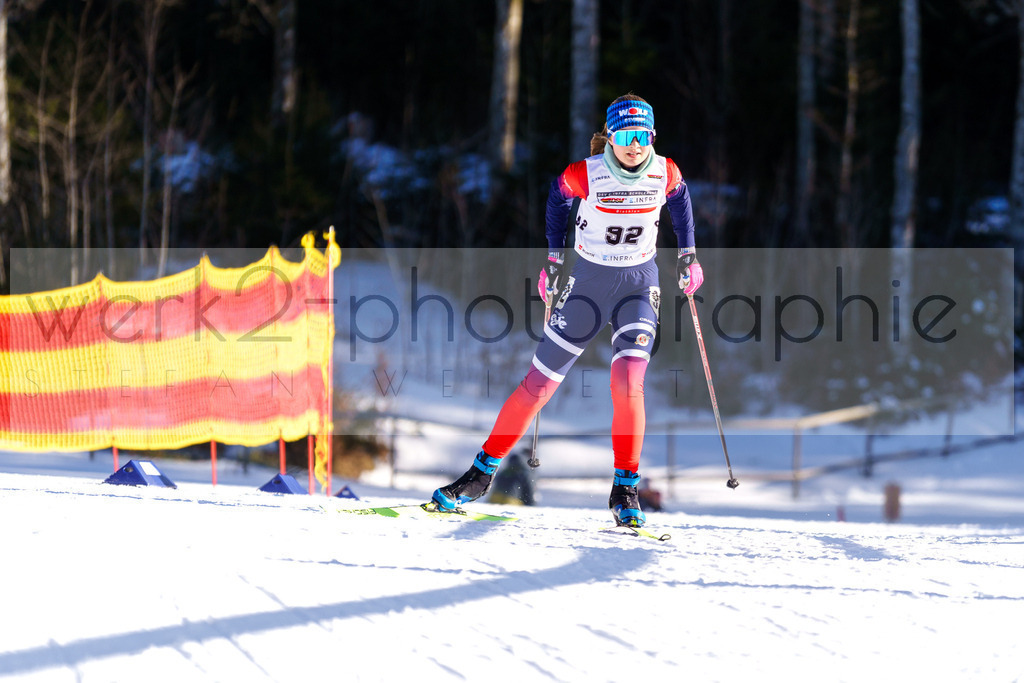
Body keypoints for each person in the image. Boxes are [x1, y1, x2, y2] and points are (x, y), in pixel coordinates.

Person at [431, 94, 703, 528]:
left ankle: (626, 488)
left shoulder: (663, 170)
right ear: (610, 136)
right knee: (538, 384)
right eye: (625, 135)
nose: (635, 145)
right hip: (589, 286)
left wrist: (689, 255)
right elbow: (557, 201)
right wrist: (555, 261)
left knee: (628, 379)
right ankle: (480, 475)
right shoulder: (585, 174)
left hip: (638, 284)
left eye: (643, 135)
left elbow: (681, 200)